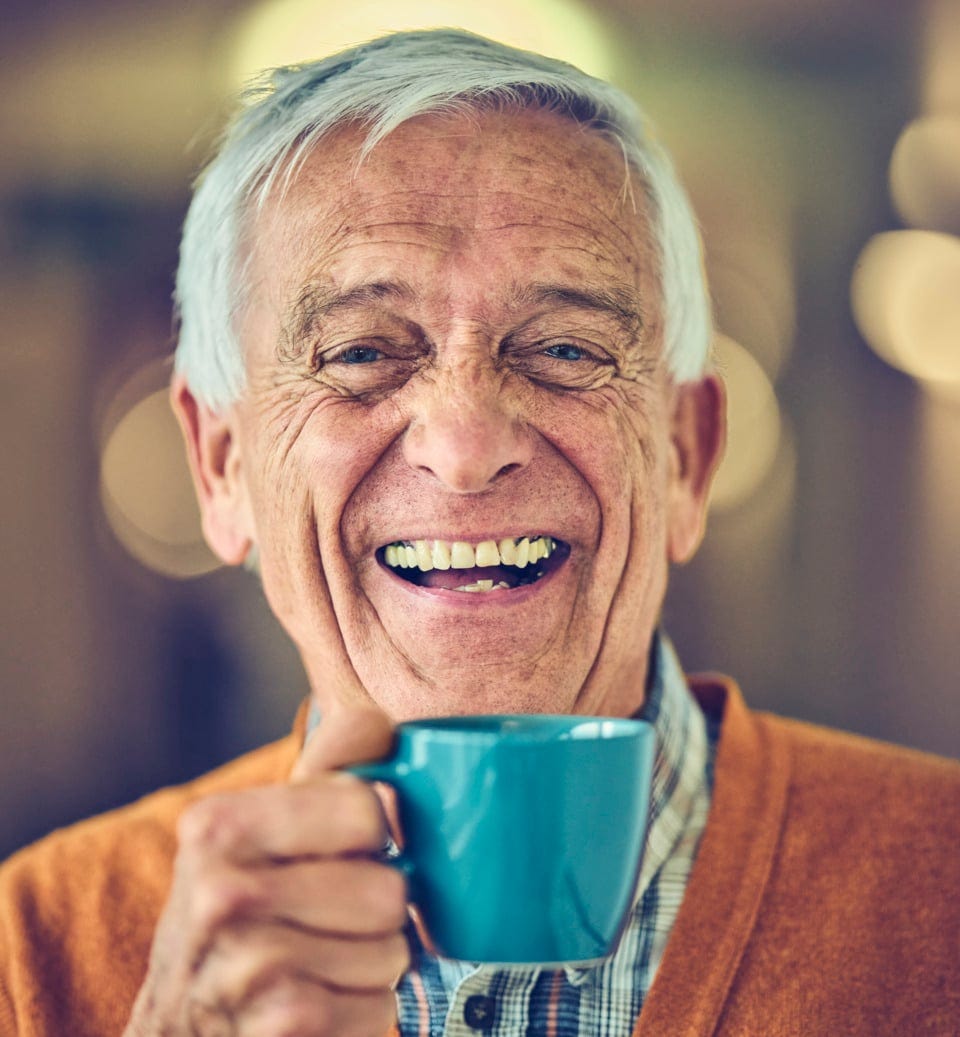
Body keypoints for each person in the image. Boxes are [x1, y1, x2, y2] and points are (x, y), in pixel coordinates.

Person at [1, 28, 957, 1037]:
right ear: (220, 466)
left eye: (564, 347)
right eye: (362, 349)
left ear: (685, 455)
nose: (463, 447)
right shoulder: (35, 948)